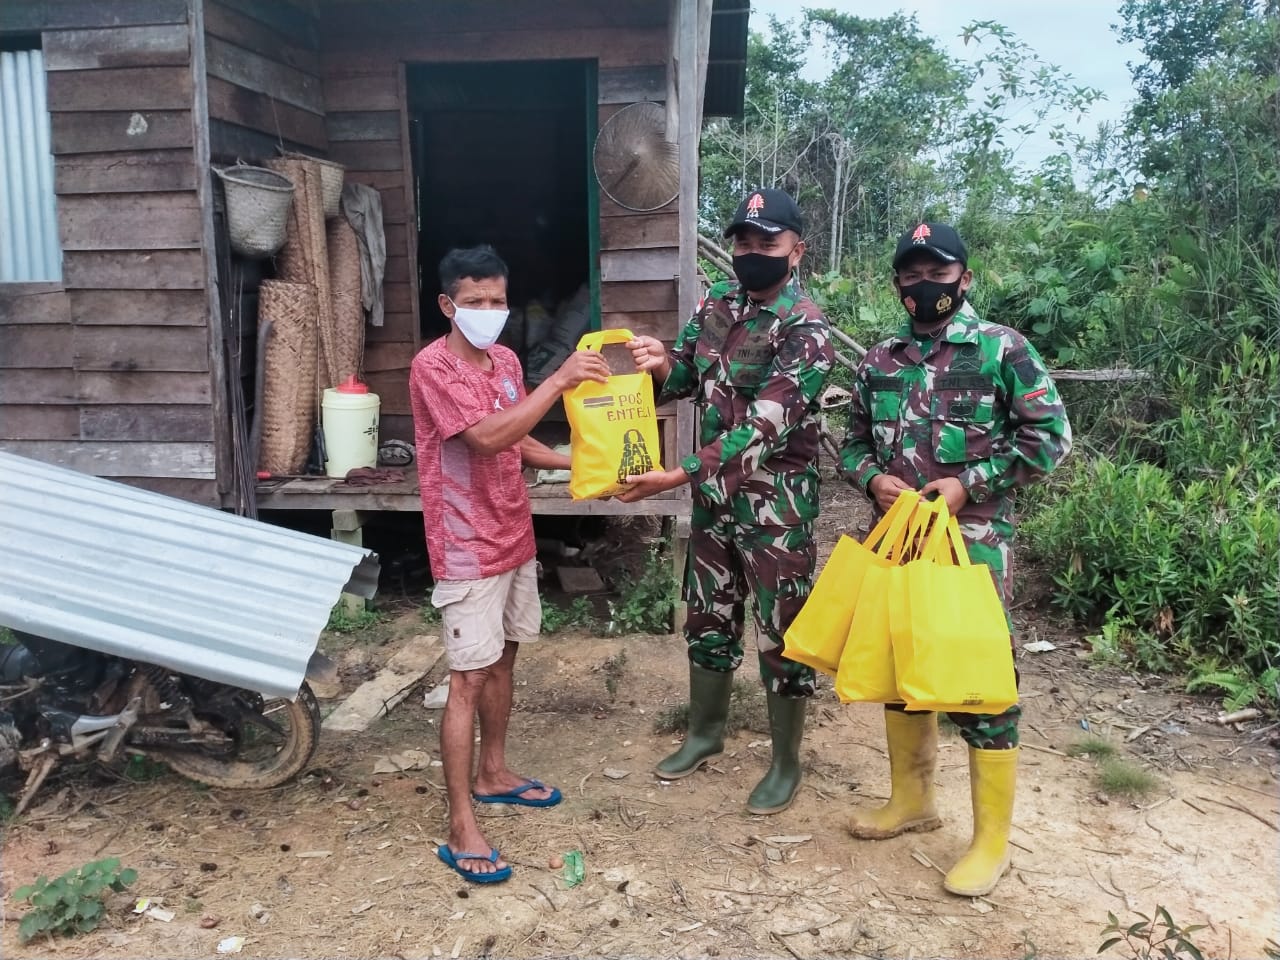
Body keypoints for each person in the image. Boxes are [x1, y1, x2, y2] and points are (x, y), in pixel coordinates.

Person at [839, 221, 1072, 896]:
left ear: (964, 279)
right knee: (901, 667)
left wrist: (969, 483)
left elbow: (1050, 438)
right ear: (896, 283)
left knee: (979, 684)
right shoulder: (879, 360)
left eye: (937, 273)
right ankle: (911, 802)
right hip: (900, 542)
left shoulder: (1000, 349)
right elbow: (851, 441)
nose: (923, 285)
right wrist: (868, 477)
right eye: (910, 274)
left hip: (972, 548)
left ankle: (991, 842)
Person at [622, 188, 834, 815]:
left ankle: (785, 763)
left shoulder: (808, 331)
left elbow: (766, 426)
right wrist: (662, 362)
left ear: (797, 251)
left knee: (782, 632)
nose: (750, 252)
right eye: (743, 240)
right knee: (708, 618)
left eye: (766, 243)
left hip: (776, 508)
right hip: (716, 501)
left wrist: (678, 474)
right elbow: (686, 376)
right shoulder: (718, 302)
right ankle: (705, 734)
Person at [409, 245, 610, 883]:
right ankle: (460, 819)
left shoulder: (503, 360)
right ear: (448, 305)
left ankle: (493, 772)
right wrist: (559, 381)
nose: (490, 312)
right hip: (466, 544)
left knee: (505, 658)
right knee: (466, 679)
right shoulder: (431, 367)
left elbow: (517, 437)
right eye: (476, 302)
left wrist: (584, 464)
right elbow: (484, 437)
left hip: (512, 531)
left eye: (498, 300)